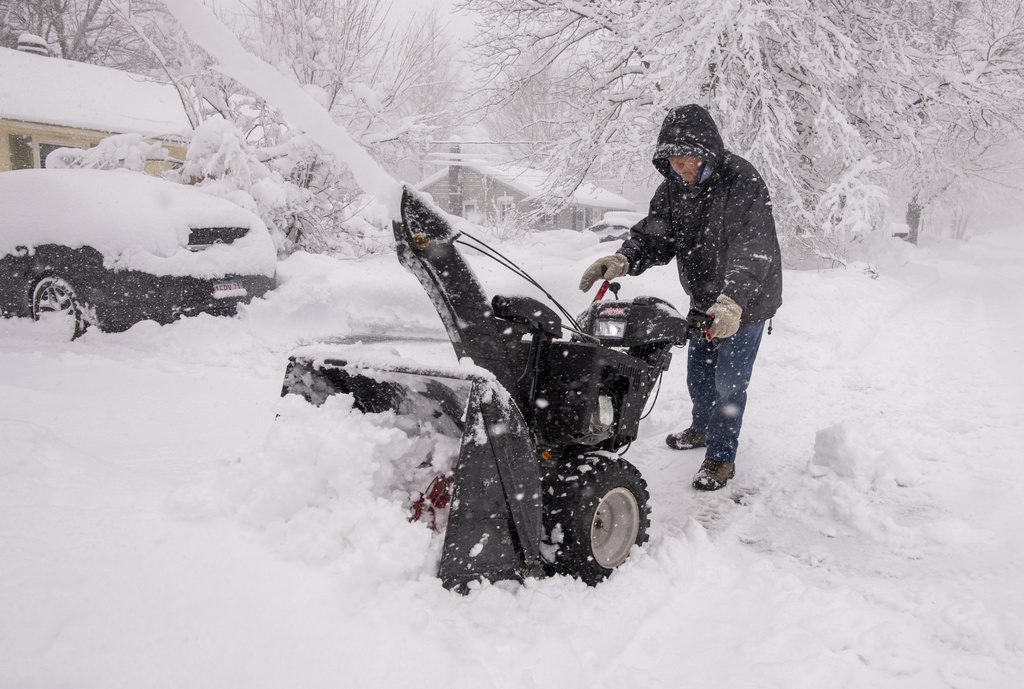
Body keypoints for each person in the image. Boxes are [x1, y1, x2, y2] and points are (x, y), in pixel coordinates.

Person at [579, 104, 783, 491]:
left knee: (729, 383)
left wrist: (732, 301)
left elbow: (753, 247)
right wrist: (623, 258)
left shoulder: (741, 180)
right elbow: (655, 236)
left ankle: (721, 456)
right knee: (699, 374)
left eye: (688, 159)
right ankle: (702, 428)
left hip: (747, 302)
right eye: (674, 161)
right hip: (704, 297)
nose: (683, 169)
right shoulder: (673, 189)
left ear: (707, 151)